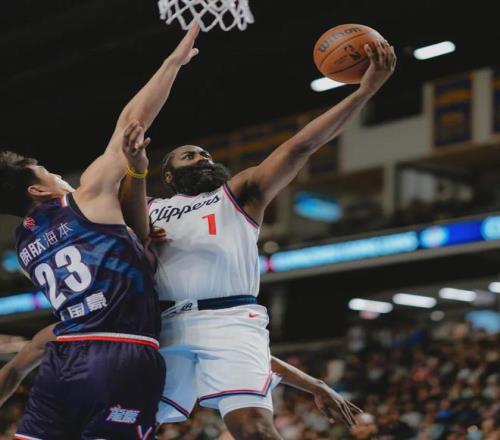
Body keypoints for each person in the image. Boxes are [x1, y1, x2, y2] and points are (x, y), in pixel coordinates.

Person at [121, 40, 396, 439]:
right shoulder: (149, 206)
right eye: (190, 156)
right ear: (167, 175)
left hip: (231, 318)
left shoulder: (238, 192)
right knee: (124, 426)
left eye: (205, 155)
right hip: (163, 325)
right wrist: (135, 170)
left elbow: (301, 146)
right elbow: (126, 223)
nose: (203, 159)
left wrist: (364, 92)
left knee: (255, 430)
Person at [0, 26, 201, 439]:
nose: (60, 176)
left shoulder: (24, 246)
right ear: (37, 190)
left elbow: (108, 252)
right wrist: (172, 64)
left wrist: (134, 242)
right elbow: (132, 122)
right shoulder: (86, 197)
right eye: (49, 173)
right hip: (121, 353)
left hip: (64, 360)